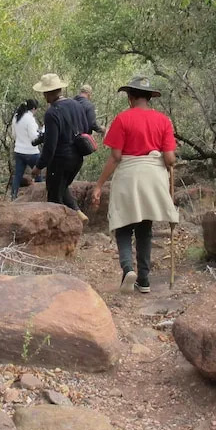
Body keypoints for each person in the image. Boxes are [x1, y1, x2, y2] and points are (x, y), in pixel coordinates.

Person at [90, 76, 178, 294]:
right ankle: (144, 280)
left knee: (123, 224)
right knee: (145, 228)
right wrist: (171, 161)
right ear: (149, 97)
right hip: (154, 178)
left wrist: (99, 184)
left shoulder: (122, 119)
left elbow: (116, 156)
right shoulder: (163, 121)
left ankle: (128, 267)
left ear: (130, 97)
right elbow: (169, 159)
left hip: (129, 176)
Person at [30, 73, 89, 223]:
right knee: (62, 188)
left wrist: (39, 166)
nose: (44, 96)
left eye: (44, 93)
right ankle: (78, 214)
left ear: (48, 93)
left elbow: (50, 146)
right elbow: (86, 129)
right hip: (77, 158)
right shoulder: (77, 105)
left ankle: (60, 235)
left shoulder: (52, 112)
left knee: (54, 199)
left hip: (60, 161)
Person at [10, 99, 42, 199]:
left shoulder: (16, 117)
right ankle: (40, 195)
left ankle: (13, 196)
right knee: (38, 174)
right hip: (31, 152)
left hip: (19, 151)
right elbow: (33, 137)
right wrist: (41, 133)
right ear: (33, 108)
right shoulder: (30, 119)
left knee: (18, 175)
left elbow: (14, 134)